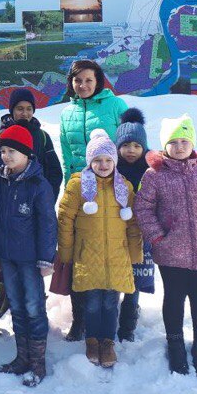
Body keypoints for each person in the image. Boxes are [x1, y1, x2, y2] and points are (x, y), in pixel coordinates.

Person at [135, 114, 197, 377]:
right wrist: (158, 236)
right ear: (164, 146)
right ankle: (175, 343)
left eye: (184, 141)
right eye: (173, 142)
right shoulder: (155, 175)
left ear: (192, 143)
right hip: (170, 249)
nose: (179, 147)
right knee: (174, 297)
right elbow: (143, 208)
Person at [56, 129, 142, 368]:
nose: (103, 165)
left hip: (117, 255)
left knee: (111, 303)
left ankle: (108, 342)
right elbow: (65, 220)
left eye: (107, 160)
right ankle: (92, 340)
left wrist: (135, 252)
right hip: (88, 255)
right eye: (97, 160)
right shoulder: (77, 185)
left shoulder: (124, 187)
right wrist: (66, 252)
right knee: (93, 302)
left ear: (114, 161)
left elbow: (133, 223)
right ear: (89, 161)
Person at [58, 60, 128, 341]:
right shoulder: (67, 113)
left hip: (112, 190)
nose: (83, 85)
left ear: (98, 80)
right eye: (78, 81)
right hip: (81, 192)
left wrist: (125, 189)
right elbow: (66, 156)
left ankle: (119, 320)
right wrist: (69, 190)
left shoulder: (116, 106)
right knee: (80, 256)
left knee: (113, 252)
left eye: (88, 80)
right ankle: (80, 320)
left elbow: (131, 146)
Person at [0, 124, 56, 387]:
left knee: (33, 307)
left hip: (30, 260)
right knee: (17, 307)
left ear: (26, 153)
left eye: (12, 151)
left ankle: (38, 364)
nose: (6, 156)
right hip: (8, 258)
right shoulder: (1, 181)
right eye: (3, 151)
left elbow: (48, 223)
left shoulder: (39, 185)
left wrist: (46, 258)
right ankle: (22, 358)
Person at [114, 108, 154, 342]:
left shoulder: (151, 172)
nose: (131, 150)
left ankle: (128, 325)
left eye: (137, 146)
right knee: (114, 277)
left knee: (134, 281)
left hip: (139, 234)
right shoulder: (110, 169)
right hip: (115, 232)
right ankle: (111, 318)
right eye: (126, 145)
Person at [0, 88, 63, 197]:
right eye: (20, 109)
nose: (25, 113)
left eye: (29, 109)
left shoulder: (42, 136)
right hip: (10, 199)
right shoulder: (0, 137)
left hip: (38, 198)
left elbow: (55, 172)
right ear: (12, 110)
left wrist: (47, 197)